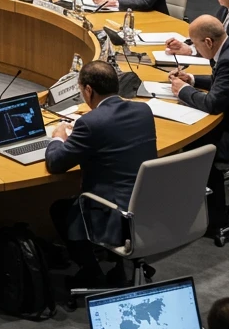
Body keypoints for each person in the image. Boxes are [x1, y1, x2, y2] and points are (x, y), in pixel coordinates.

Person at [46, 60, 157, 288]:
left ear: (88, 90)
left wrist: (58, 137)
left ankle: (91, 272)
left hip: (115, 215)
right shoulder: (143, 111)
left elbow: (56, 163)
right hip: (148, 207)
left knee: (59, 209)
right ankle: (116, 265)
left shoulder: (90, 123)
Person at [170, 15, 229, 232]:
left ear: (209, 42)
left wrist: (183, 91)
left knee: (198, 148)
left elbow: (213, 104)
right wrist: (192, 80)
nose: (195, 49)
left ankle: (215, 218)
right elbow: (225, 84)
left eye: (196, 44)